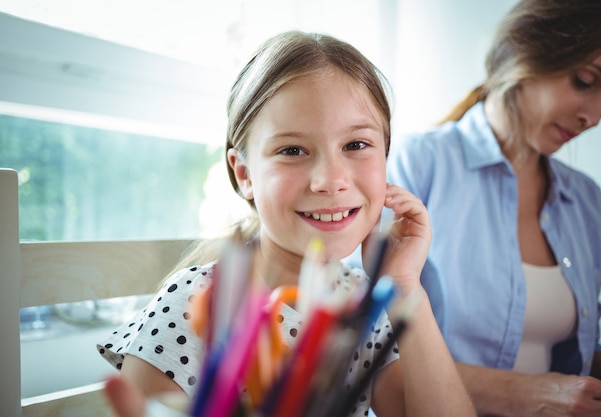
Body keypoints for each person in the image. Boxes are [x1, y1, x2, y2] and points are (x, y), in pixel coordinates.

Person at [97, 30, 475, 417]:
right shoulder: (194, 304)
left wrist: (405, 286)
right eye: (292, 150)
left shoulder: (368, 305)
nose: (330, 180)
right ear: (245, 175)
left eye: (356, 145)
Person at [380, 0, 601, 416]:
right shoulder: (417, 164)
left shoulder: (586, 201)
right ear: (523, 54)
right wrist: (529, 393)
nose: (594, 117)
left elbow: (574, 349)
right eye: (586, 81)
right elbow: (370, 355)